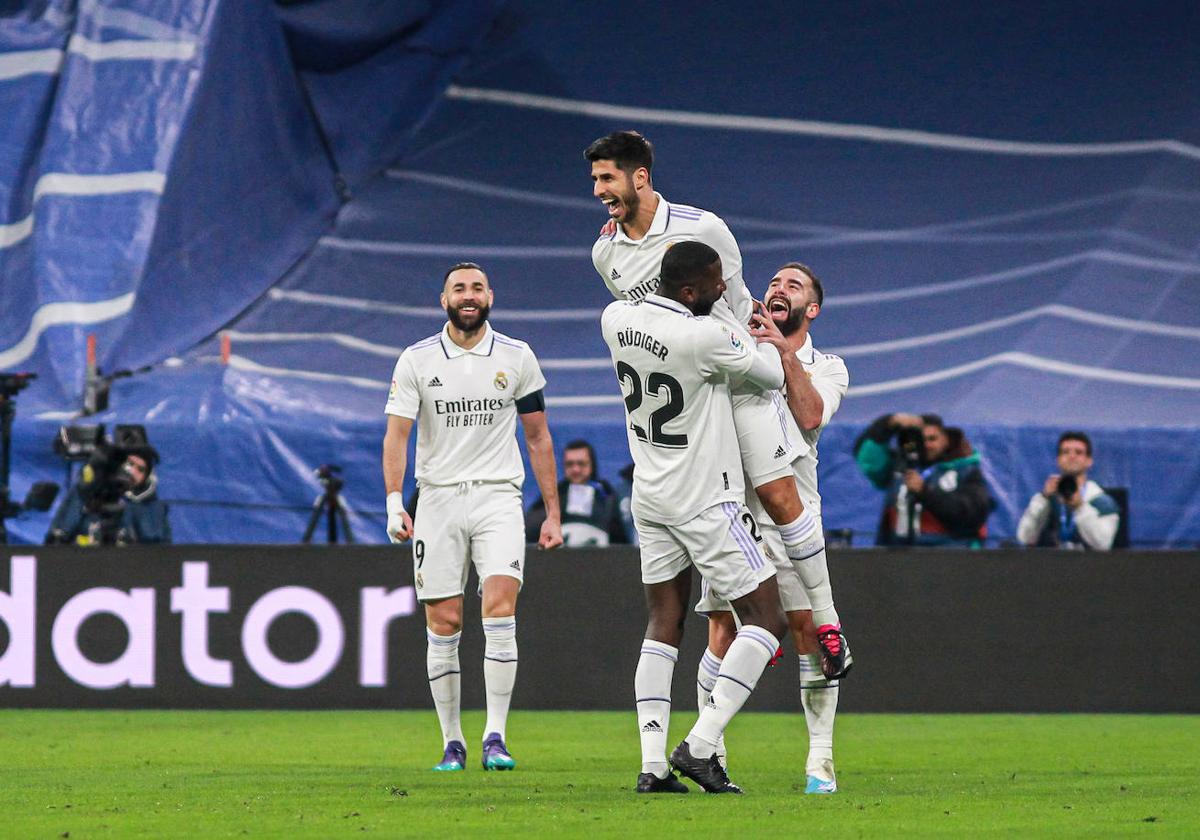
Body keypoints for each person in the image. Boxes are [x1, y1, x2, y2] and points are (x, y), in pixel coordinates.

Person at [585, 130, 847, 677]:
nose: (598, 191)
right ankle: (707, 742)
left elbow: (737, 302)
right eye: (595, 180)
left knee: (780, 495)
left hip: (743, 379)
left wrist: (765, 356)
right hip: (694, 403)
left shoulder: (704, 228)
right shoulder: (605, 251)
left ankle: (826, 619)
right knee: (721, 610)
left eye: (607, 178)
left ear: (640, 177)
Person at [602, 240, 790, 795]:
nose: (723, 291)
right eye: (715, 284)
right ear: (690, 291)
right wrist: (747, 329)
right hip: (707, 497)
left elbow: (639, 311)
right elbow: (771, 375)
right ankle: (702, 745)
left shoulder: (614, 318)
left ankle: (652, 766)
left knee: (664, 624)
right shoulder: (706, 335)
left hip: (650, 494)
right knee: (766, 618)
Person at [382, 262, 564, 773]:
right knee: (445, 621)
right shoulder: (416, 360)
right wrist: (395, 502)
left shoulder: (517, 356)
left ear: (490, 297)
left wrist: (552, 513)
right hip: (437, 499)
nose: (469, 295)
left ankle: (496, 737)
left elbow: (537, 436)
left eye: (477, 287)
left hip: (498, 497)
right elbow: (397, 435)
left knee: (500, 609)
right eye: (459, 288)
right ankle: (452, 741)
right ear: (444, 300)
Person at [694, 262, 849, 793]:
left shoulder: (828, 366)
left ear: (813, 309)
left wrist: (783, 353)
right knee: (723, 630)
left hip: (794, 519)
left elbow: (809, 418)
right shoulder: (737, 347)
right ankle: (711, 754)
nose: (780, 289)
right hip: (735, 513)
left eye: (795, 286)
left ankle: (820, 762)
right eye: (777, 282)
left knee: (809, 634)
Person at [854, 413, 992, 547]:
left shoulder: (966, 470)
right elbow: (868, 459)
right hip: (899, 559)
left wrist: (925, 492)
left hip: (951, 559)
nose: (926, 445)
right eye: (921, 440)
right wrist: (887, 423)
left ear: (946, 439)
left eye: (932, 439)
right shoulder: (899, 467)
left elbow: (971, 516)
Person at [1016, 431, 1120, 551]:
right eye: (1065, 452)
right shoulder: (1047, 498)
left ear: (1089, 461)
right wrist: (1043, 499)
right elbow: (1024, 538)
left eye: (1078, 452)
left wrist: (1080, 507)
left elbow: (1103, 545)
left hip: (1091, 566)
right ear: (1058, 460)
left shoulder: (1102, 502)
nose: (1072, 456)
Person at [46, 447, 171, 545]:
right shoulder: (86, 495)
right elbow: (56, 539)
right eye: (130, 463)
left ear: (146, 478)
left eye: (141, 469)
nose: (132, 472)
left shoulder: (150, 508)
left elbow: (157, 551)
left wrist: (143, 501)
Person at [525, 439, 628, 546]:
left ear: (592, 464)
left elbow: (622, 536)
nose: (576, 469)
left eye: (581, 464)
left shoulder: (606, 494)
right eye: (570, 464)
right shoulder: (554, 495)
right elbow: (530, 529)